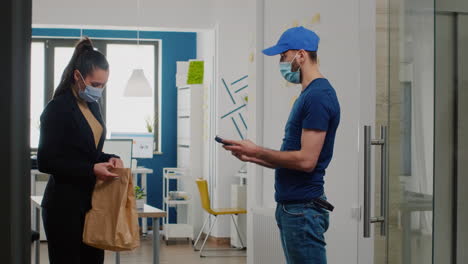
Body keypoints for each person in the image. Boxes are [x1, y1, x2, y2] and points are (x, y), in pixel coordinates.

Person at [223, 26, 341, 264]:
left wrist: (257, 150)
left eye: (283, 56)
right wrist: (252, 157)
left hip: (302, 209)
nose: (281, 63)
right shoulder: (308, 95)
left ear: (301, 55)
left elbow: (307, 161)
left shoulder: (318, 97)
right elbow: (292, 158)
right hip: (295, 207)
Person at [38, 37, 124, 264]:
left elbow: (89, 152)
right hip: (63, 208)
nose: (99, 90)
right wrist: (91, 169)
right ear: (78, 77)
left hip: (91, 205)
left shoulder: (94, 106)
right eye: (95, 84)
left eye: (104, 85)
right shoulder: (57, 109)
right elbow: (46, 162)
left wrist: (110, 158)